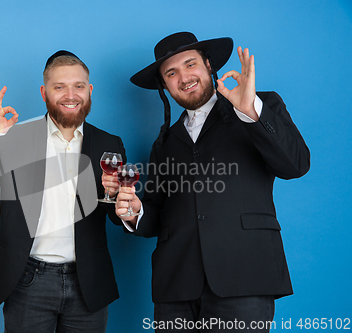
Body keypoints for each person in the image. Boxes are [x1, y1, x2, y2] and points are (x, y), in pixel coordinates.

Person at [113, 32, 310, 332]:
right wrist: (135, 212)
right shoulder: (164, 143)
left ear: (208, 65)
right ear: (164, 85)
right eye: (171, 72)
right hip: (175, 287)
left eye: (190, 64)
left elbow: (296, 164)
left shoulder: (259, 107)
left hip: (245, 278)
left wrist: (251, 113)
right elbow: (155, 214)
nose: (184, 77)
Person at [0, 50, 126, 333]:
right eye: (59, 87)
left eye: (78, 86)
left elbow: (114, 212)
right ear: (44, 92)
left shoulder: (110, 143)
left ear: (90, 90)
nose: (70, 95)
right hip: (27, 281)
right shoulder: (16, 138)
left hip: (89, 282)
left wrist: (121, 199)